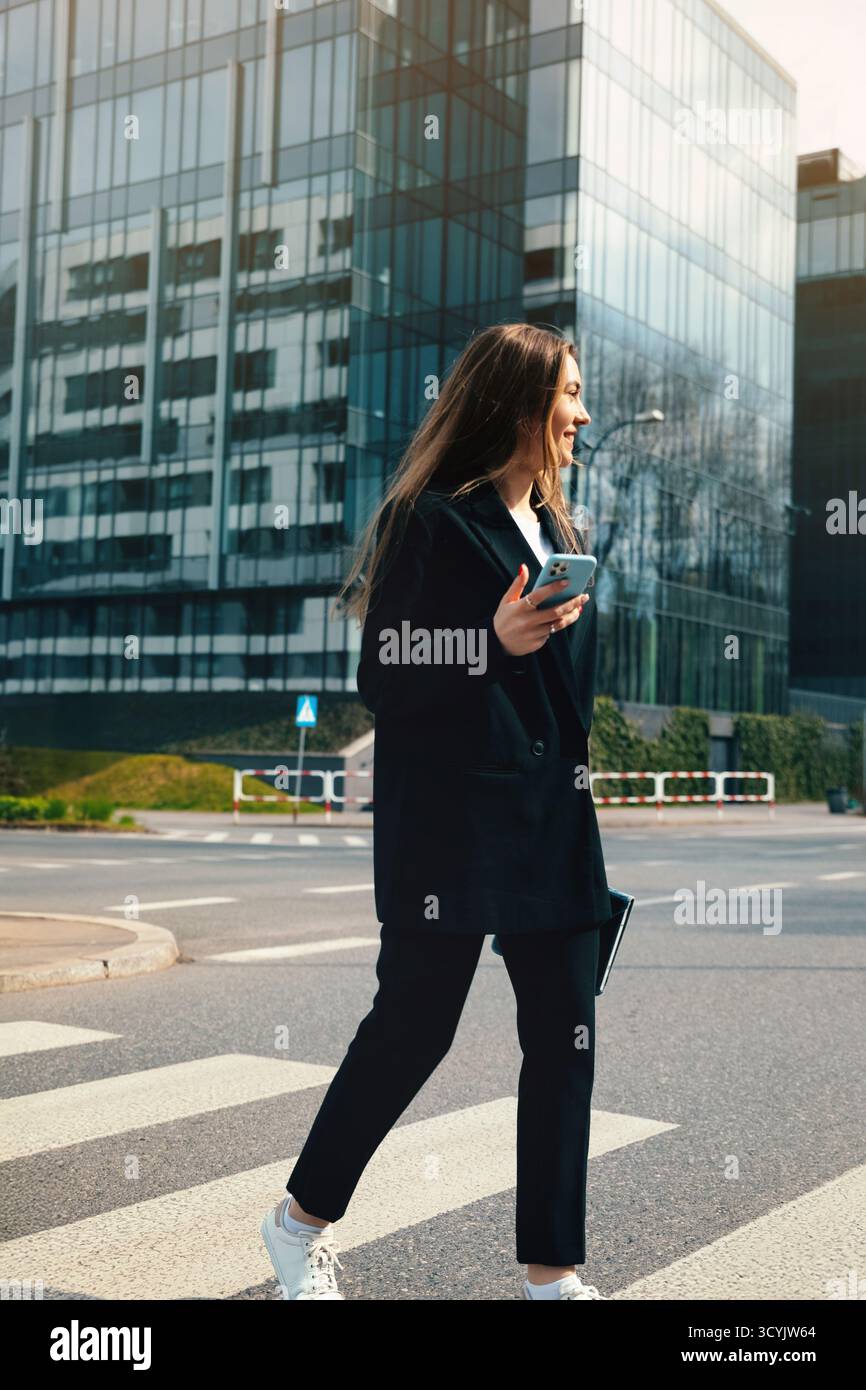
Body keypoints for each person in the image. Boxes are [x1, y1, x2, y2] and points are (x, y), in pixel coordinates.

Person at [260, 322, 612, 1301]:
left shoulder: (558, 534)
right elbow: (382, 672)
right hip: (450, 830)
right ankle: (297, 1224)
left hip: (551, 828)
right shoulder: (432, 521)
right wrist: (489, 637)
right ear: (514, 403)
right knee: (414, 1025)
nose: (581, 413)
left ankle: (551, 1275)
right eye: (567, 394)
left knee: (564, 1036)